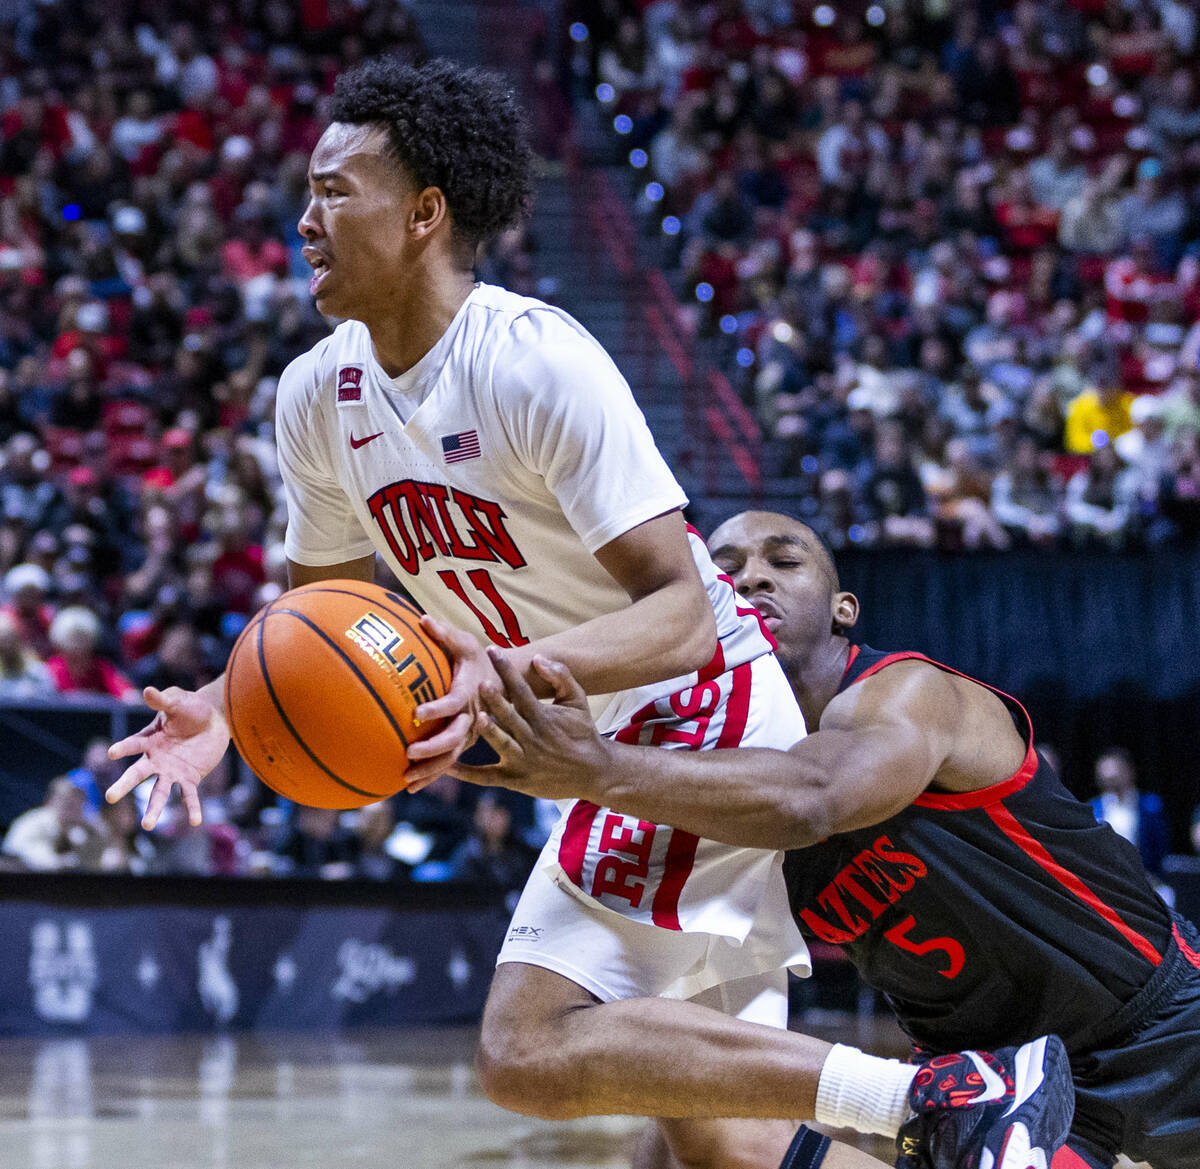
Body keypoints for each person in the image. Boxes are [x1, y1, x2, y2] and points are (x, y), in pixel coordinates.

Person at [104, 59, 1065, 1169]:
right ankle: (999, 1136)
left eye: (334, 191)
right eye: (308, 192)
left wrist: (501, 669)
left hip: (692, 707)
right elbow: (323, 615)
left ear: (424, 213)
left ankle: (949, 1091)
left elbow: (685, 614)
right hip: (577, 729)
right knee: (726, 1144)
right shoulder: (316, 396)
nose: (305, 220)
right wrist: (230, 706)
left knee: (525, 1047)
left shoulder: (534, 361)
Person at [458, 510, 1200, 1169]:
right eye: (724, 570)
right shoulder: (709, 782)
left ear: (844, 607)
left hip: (1160, 1022)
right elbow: (708, 1116)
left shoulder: (907, 694)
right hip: (994, 1088)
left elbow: (814, 798)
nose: (750, 579)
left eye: (784, 561)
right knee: (712, 1140)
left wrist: (598, 766)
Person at [1089, 747, 1171, 878]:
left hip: (1145, 879)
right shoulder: (1093, 808)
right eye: (1106, 777)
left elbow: (1161, 848)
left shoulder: (1150, 806)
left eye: (1115, 775)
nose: (1110, 778)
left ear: (1129, 772)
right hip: (1105, 878)